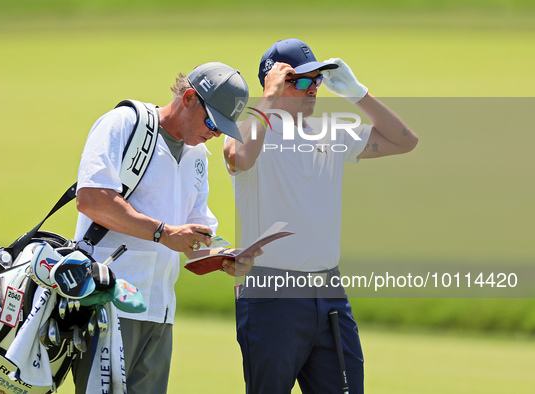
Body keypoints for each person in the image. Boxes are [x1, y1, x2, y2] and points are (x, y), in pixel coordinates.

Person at [224, 38, 419, 393]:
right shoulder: (247, 131)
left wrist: (357, 93)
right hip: (271, 295)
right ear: (274, 84)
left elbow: (405, 140)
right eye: (300, 81)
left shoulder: (333, 131)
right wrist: (267, 98)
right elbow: (239, 157)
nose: (312, 88)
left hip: (329, 291)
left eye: (316, 79)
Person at [72, 62, 257, 394]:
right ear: (188, 98)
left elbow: (195, 235)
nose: (215, 134)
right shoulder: (124, 123)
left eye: (223, 129)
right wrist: (162, 232)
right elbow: (92, 200)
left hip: (159, 312)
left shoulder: (198, 154)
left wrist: (223, 256)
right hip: (106, 305)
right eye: (213, 122)